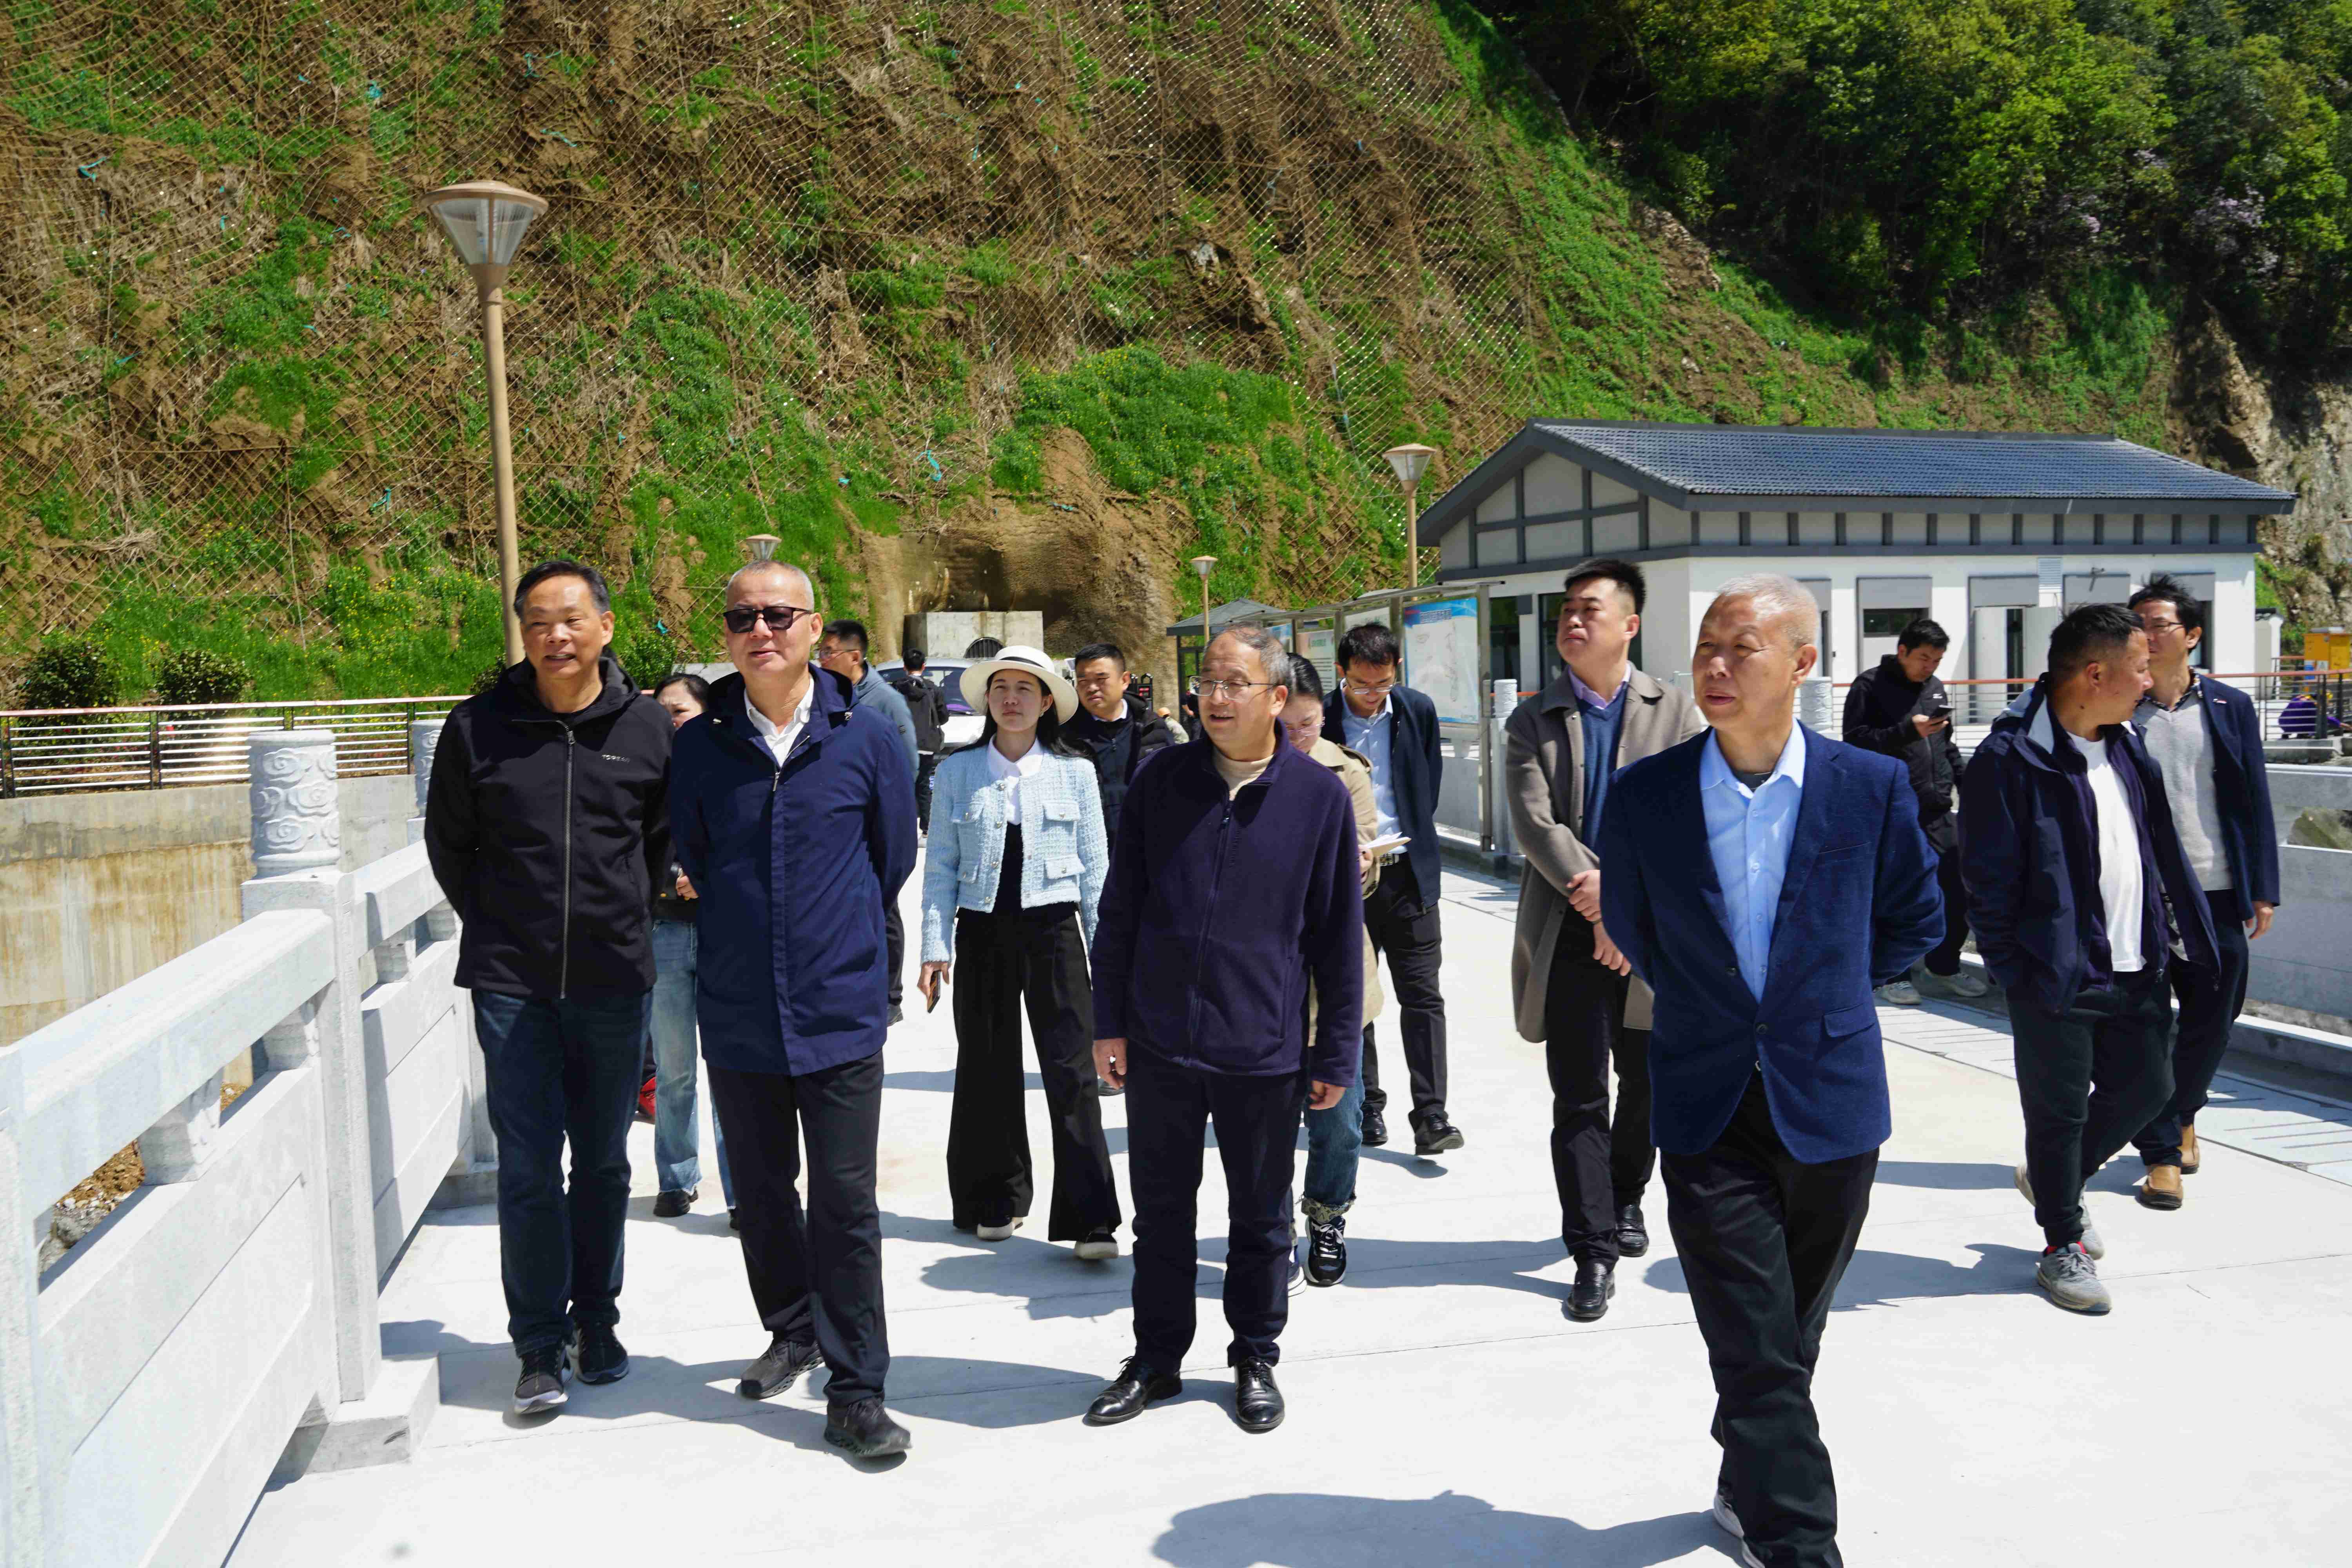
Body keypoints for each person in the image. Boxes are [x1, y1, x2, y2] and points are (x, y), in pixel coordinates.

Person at [1600, 574, 1942, 1568]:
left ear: (1801, 663)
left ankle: (1744, 1470)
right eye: (1706, 646)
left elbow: (1917, 918)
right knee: (1754, 1340)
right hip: (1705, 1099)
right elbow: (1633, 925)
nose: (1714, 664)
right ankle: (1798, 1542)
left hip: (1830, 1095)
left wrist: (1823, 995)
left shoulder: (1868, 786)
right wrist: (1718, 1005)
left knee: (1789, 1330)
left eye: (1740, 647)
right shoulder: (1648, 795)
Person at [1084, 626, 1363, 1435]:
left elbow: (1337, 939)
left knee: (1261, 1219)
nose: (1215, 696)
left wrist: (1336, 1051)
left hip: (1263, 1047)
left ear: (1277, 697)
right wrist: (1110, 1020)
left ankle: (1255, 1354)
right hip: (1161, 1039)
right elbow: (1120, 907)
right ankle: (1156, 1358)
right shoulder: (1161, 780)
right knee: (1160, 1214)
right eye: (1207, 681)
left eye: (1235, 683)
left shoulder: (1317, 799)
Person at [671, 559, 918, 1459]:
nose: (761, 630)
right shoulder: (701, 747)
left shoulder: (868, 736)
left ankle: (857, 1391)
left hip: (839, 1004)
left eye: (779, 614)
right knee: (763, 1192)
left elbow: (891, 856)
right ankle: (792, 1326)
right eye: (743, 617)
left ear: (815, 628)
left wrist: (837, 932)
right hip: (740, 1006)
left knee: (846, 1202)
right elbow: (695, 851)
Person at [423, 559, 673, 1417]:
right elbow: (451, 846)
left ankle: (596, 1321)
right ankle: (536, 1343)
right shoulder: (478, 726)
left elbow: (660, 842)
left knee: (602, 1162)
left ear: (606, 626)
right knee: (528, 1165)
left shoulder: (649, 728)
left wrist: (624, 917)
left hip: (614, 979)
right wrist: (503, 924)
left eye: (570, 619)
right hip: (512, 982)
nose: (554, 635)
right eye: (537, 621)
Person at [1962, 601, 2219, 1314]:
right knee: (2059, 1115)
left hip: (2138, 963)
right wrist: (2017, 972)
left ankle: (2056, 1181)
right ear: (2096, 674)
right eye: (2140, 668)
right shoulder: (2010, 761)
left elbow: (2155, 850)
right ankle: (2062, 1244)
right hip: (2055, 973)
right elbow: (1985, 881)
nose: (2149, 681)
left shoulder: (2128, 746)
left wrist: (2184, 936)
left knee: (2149, 1091)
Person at [1503, 558, 1705, 1322]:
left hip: (1650, 935)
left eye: (1589, 609)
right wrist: (1600, 904)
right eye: (1567, 610)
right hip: (1570, 930)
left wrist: (1626, 906)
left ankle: (1625, 1197)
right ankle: (1591, 1248)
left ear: (1630, 625)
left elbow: (1689, 819)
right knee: (1580, 1093)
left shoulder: (1676, 713)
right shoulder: (1533, 721)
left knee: (1646, 1084)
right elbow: (1535, 825)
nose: (1572, 620)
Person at [918, 646, 1122, 1255]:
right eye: (1001, 688)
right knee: (986, 1067)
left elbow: (1096, 873)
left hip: (1055, 933)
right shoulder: (958, 772)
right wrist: (934, 946)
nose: (1011, 699)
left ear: (1047, 702)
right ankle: (995, 1198)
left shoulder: (1074, 772)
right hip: (982, 931)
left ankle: (1090, 1219)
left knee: (1072, 1071)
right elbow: (941, 866)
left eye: (1025, 689)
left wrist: (1107, 960)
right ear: (986, 700)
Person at [2123, 577, 2280, 1210]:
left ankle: (2183, 1111)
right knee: (2146, 1025)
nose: (2148, 634)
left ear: (2191, 635)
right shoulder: (2119, 707)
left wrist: (2262, 888)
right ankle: (2162, 1155)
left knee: (2215, 1016)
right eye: (2139, 623)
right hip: (2141, 894)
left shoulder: (2228, 705)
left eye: (2159, 623)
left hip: (2215, 887)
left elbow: (2253, 798)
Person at [1321, 621, 1456, 1155]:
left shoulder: (1416, 710)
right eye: (1362, 684)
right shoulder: (1323, 718)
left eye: (1383, 683)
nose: (1373, 694)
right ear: (1342, 673)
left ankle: (1432, 1114)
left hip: (1408, 876)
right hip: (1346, 880)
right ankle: (1367, 1106)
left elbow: (1429, 787)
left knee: (1423, 996)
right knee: (1355, 998)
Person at [1279, 655, 1383, 1289]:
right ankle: (1271, 1232)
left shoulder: (1347, 773)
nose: (1298, 737)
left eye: (1309, 724)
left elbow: (1368, 875)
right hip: (1265, 978)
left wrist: (1362, 865)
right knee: (1265, 1122)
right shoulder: (1238, 772)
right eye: (1287, 725)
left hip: (1337, 982)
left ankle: (1326, 1217)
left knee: (1340, 1122)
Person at [1840, 617, 1984, 1005]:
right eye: (1924, 659)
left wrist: (1968, 784)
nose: (1930, 667)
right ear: (1902, 651)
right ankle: (1892, 976)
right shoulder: (1869, 686)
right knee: (1899, 895)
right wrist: (1908, 731)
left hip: (1938, 809)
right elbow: (1854, 744)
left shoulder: (1934, 687)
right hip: (1892, 811)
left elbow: (1946, 744)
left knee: (1958, 890)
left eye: (1937, 661)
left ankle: (1944, 965)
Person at [647, 673, 737, 1227]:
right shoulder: (644, 772)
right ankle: (676, 1178)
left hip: (725, 933)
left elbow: (754, 841)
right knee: (675, 1068)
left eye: (678, 711)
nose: (669, 721)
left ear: (705, 713)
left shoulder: (730, 766)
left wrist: (708, 877)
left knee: (732, 1068)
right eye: (661, 712)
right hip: (663, 933)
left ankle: (744, 1190)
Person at [820, 619, 918, 1025]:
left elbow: (908, 763)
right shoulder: (826, 698)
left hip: (880, 821)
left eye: (829, 652)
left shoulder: (884, 701)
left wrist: (891, 813)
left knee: (885, 905)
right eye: (821, 652)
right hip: (842, 824)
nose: (822, 660)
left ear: (855, 657)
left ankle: (891, 996)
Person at [1065, 641, 1177, 848]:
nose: (1092, 688)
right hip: (1093, 849)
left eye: (1101, 679)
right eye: (1083, 681)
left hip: (1151, 846)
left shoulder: (1153, 729)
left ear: (1124, 680)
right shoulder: (1066, 737)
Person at [884, 648, 949, 835]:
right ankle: (927, 829)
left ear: (905, 667)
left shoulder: (895, 688)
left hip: (902, 745)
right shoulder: (933, 690)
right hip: (927, 745)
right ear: (924, 667)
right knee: (923, 786)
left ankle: (903, 828)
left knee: (903, 786)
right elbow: (944, 717)